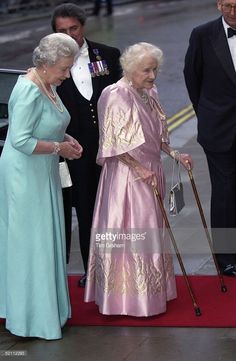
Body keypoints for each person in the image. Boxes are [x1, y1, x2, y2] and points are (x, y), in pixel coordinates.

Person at [84, 42, 193, 316]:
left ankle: (154, 291)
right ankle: (126, 299)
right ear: (130, 69)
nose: (153, 76)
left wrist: (176, 154)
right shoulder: (115, 94)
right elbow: (110, 143)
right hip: (128, 177)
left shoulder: (149, 91)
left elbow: (159, 135)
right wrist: (139, 169)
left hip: (151, 170)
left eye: (155, 69)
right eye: (146, 70)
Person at [0, 33, 83, 340]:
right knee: (31, 244)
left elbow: (51, 123)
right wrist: (58, 149)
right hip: (24, 175)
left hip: (42, 171)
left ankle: (46, 310)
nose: (67, 74)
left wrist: (65, 140)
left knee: (44, 240)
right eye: (63, 68)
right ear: (45, 64)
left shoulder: (48, 82)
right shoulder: (28, 91)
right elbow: (20, 140)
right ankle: (29, 318)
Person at [51, 3, 121, 287]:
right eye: (62, 31)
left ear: (83, 26)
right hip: (75, 152)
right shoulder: (49, 66)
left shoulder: (109, 55)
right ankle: (93, 270)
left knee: (116, 209)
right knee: (86, 208)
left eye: (74, 29)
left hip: (111, 148)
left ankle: (120, 267)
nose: (69, 35)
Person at [184, 0, 236, 277]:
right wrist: (207, 114)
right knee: (225, 193)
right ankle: (227, 258)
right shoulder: (202, 34)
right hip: (219, 129)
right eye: (227, 5)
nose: (233, 11)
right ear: (218, 5)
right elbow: (192, 77)